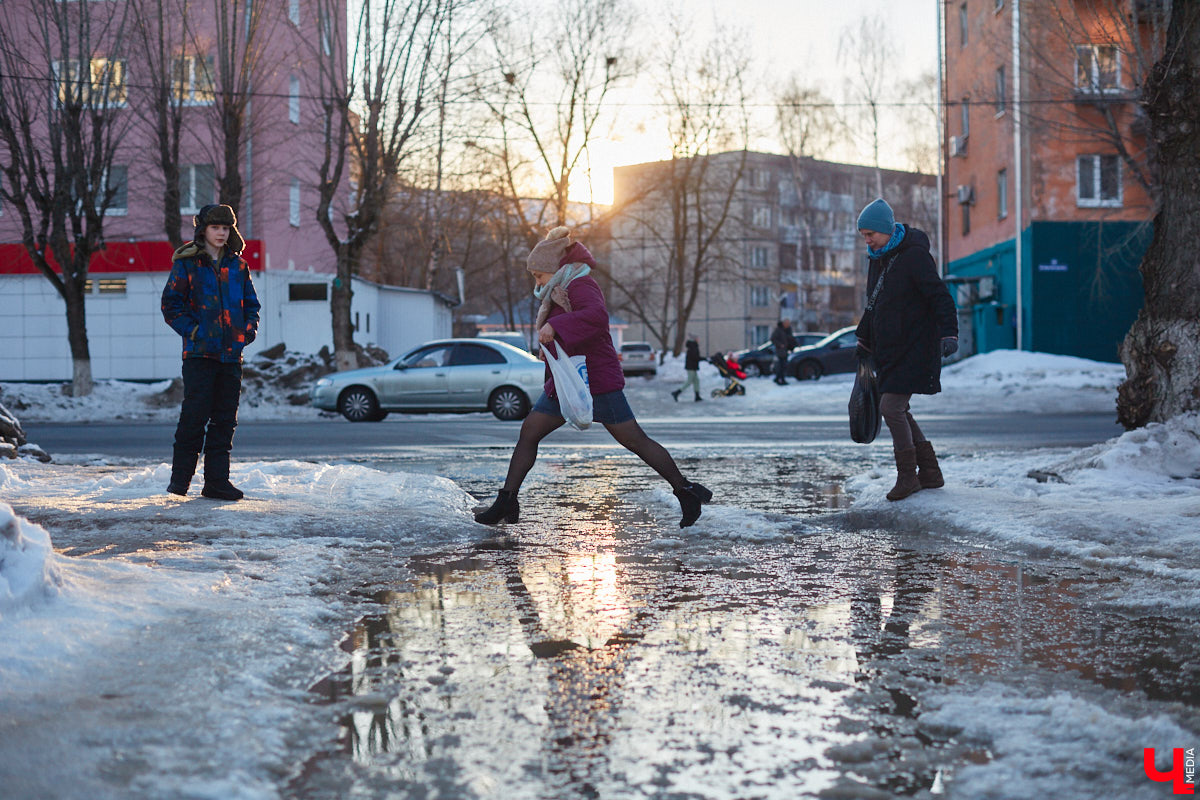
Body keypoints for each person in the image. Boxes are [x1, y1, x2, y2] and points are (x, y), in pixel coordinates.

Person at [474, 226, 711, 528]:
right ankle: (507, 501)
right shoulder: (559, 289)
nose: (537, 282)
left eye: (538, 275)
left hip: (594, 381)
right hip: (568, 381)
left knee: (636, 441)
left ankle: (685, 491)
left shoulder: (580, 284)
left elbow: (597, 318)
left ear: (554, 267)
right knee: (530, 432)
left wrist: (557, 328)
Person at [853, 198, 958, 501]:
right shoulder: (878, 258)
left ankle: (907, 477)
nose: (867, 239)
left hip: (915, 346)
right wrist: (864, 338)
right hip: (889, 349)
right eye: (863, 234)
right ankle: (930, 472)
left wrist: (949, 333)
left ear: (887, 230)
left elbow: (940, 297)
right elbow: (875, 305)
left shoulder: (914, 257)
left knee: (891, 408)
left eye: (871, 233)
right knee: (899, 409)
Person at [161, 204, 260, 500]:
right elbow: (171, 306)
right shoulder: (188, 264)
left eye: (226, 228)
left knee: (224, 421)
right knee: (194, 418)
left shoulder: (238, 266)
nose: (221, 233)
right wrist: (193, 332)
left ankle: (217, 482)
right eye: (216, 227)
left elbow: (251, 305)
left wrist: (248, 331)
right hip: (199, 355)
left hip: (231, 356)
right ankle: (179, 483)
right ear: (203, 229)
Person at [671, 334, 702, 402]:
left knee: (696, 381)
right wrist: (704, 359)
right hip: (691, 367)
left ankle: (697, 396)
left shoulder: (693, 346)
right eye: (697, 338)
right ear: (694, 339)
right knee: (689, 381)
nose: (698, 339)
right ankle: (676, 392)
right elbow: (695, 357)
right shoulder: (693, 347)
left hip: (693, 366)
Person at [769, 319, 798, 385]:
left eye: (789, 324)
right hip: (780, 351)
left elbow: (791, 338)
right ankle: (781, 380)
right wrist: (780, 345)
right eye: (787, 324)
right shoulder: (778, 330)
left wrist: (795, 344)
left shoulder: (788, 330)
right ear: (784, 323)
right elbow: (773, 339)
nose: (788, 325)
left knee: (783, 366)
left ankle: (778, 379)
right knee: (781, 365)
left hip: (786, 350)